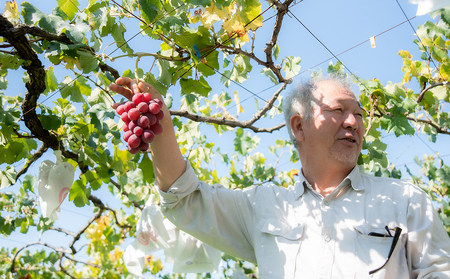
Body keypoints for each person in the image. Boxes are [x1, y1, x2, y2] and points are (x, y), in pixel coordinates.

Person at [110, 75, 450, 278]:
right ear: (298, 126)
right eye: (338, 111)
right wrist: (160, 126)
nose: (353, 122)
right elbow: (184, 200)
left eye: (358, 114)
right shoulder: (264, 206)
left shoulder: (405, 200)